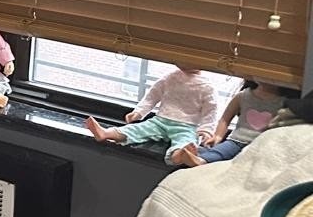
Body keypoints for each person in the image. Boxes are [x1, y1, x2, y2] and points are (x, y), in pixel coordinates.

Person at [85, 67, 216, 162]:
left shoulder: (207, 86)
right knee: (137, 129)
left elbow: (210, 110)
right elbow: (152, 96)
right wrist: (139, 112)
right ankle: (106, 133)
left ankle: (180, 155)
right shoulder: (171, 77)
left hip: (187, 126)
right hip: (160, 120)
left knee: (186, 140)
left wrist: (206, 131)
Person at [168, 81, 298, 167]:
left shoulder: (284, 102)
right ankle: (195, 159)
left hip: (262, 145)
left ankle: (193, 156)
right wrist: (218, 136)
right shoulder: (243, 96)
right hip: (236, 140)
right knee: (220, 152)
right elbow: (225, 118)